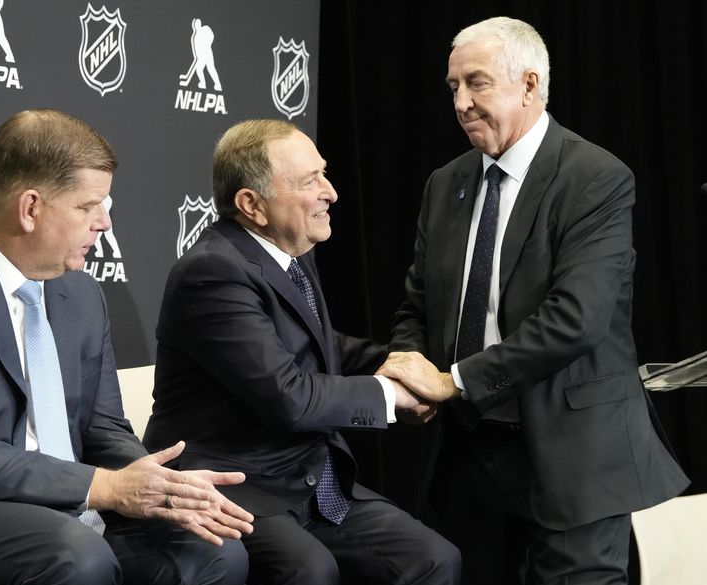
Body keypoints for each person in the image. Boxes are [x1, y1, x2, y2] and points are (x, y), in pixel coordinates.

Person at [0, 109, 252, 585]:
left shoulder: (81, 293)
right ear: (31, 208)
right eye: (88, 206)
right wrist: (106, 486)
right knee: (77, 557)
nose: (104, 222)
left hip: (63, 510)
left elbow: (102, 428)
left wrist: (162, 486)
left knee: (214, 552)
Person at [377, 17, 689, 585]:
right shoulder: (446, 183)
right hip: (467, 458)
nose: (461, 103)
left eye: (477, 83)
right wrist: (409, 367)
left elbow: (576, 321)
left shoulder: (594, 177)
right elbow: (418, 306)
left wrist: (452, 381)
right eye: (453, 87)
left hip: (574, 459)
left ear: (529, 85)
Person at [142, 119, 460, 585]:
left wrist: (398, 365)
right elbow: (289, 396)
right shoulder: (212, 272)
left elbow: (320, 347)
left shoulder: (290, 254)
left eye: (324, 174)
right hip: (235, 486)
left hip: (307, 478)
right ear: (252, 205)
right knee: (309, 570)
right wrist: (393, 395)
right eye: (310, 181)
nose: (330, 192)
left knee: (434, 559)